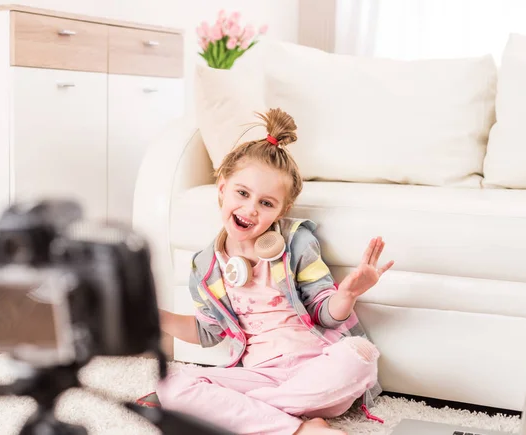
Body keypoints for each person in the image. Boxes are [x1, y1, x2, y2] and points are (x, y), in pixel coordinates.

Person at [156, 108, 394, 435]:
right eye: (242, 193)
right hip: (262, 374)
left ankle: (247, 413)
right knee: (170, 385)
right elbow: (208, 332)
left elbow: (326, 313)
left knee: (360, 355)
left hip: (317, 367)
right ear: (222, 188)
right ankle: (301, 429)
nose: (251, 208)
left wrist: (347, 294)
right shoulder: (205, 266)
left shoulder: (296, 242)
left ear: (282, 210)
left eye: (266, 203)